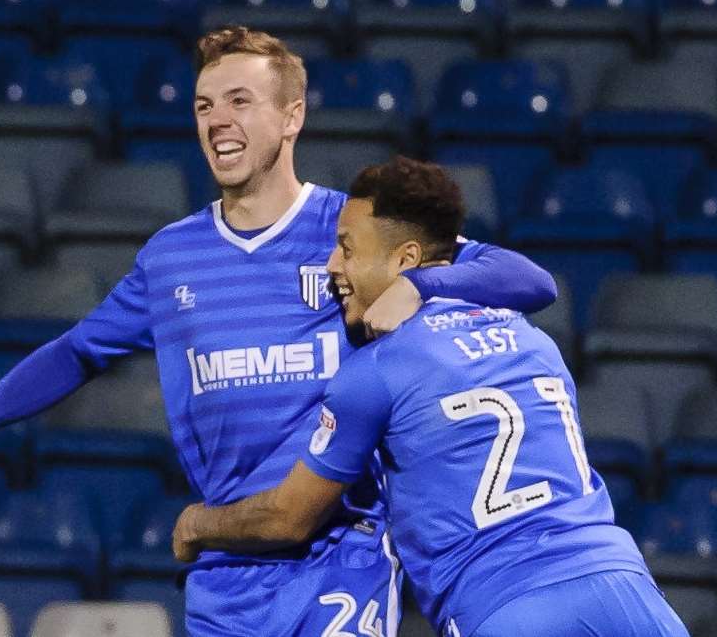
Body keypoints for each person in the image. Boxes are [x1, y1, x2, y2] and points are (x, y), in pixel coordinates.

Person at [0, 30, 558, 636]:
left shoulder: (353, 232)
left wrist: (419, 283)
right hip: (224, 570)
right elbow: (76, 351)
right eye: (204, 105)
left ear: (291, 116)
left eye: (239, 101)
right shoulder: (171, 257)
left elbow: (527, 280)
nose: (217, 121)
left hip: (339, 555)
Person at [172, 156, 689, 637]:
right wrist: (422, 285)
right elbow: (531, 280)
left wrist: (198, 524)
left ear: (407, 259)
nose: (332, 264)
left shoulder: (374, 372)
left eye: (348, 248)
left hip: (505, 604)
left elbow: (287, 518)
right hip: (623, 586)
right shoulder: (532, 337)